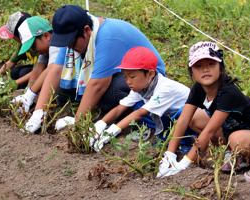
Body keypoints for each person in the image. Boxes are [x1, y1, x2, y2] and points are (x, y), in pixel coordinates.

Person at [27, 5, 165, 133]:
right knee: (62, 89)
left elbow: (98, 84)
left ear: (86, 31)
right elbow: (56, 70)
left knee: (112, 92)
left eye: (71, 43)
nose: (68, 47)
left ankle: (135, 121)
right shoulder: (74, 37)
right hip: (122, 73)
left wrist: (78, 122)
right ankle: (97, 109)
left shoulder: (107, 36)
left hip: (148, 79)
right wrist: (39, 111)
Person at [156, 41, 250, 184]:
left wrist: (184, 162)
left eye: (211, 64)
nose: (205, 70)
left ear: (220, 67)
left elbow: (209, 131)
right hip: (233, 131)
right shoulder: (198, 88)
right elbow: (183, 119)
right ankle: (234, 155)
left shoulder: (229, 92)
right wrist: (169, 154)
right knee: (195, 118)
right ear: (192, 72)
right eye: (199, 66)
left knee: (237, 140)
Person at [90, 46, 189, 151]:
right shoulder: (142, 87)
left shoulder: (165, 88)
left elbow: (140, 113)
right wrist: (100, 125)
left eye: (132, 77)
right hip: (169, 118)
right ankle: (160, 134)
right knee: (137, 106)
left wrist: (111, 132)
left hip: (189, 120)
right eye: (125, 77)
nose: (128, 81)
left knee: (141, 111)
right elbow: (120, 108)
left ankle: (185, 144)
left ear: (150, 74)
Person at [11, 16, 66, 125]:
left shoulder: (56, 41)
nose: (33, 50)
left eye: (33, 46)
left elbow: (52, 68)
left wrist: (30, 95)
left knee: (59, 94)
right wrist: (27, 92)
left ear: (46, 36)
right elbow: (38, 68)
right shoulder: (45, 48)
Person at [0, 11, 34, 89]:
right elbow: (11, 62)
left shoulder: (39, 45)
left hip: (45, 71)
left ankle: (27, 90)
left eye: (13, 36)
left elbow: (38, 70)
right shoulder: (23, 43)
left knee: (24, 73)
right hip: (37, 68)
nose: (12, 38)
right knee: (14, 72)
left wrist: (12, 84)